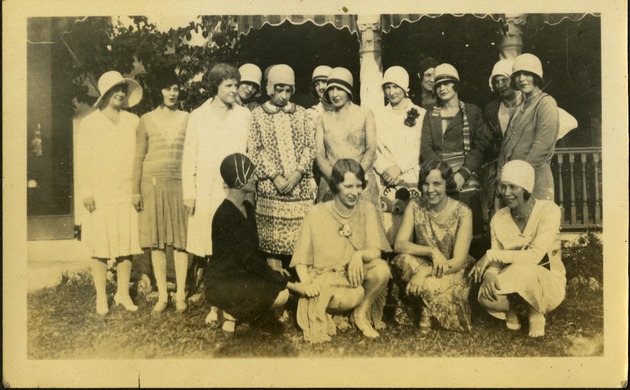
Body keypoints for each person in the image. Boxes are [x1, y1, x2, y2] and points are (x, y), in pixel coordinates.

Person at [290, 159, 392, 342]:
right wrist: (307, 284)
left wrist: (358, 255)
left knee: (382, 270)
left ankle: (359, 315)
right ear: (336, 185)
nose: (355, 192)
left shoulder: (367, 209)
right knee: (350, 296)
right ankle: (330, 313)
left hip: (351, 273)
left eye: (359, 186)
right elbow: (300, 260)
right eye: (349, 186)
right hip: (323, 277)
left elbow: (376, 251)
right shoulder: (317, 212)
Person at [204, 153, 306, 335]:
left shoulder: (247, 208)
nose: (256, 178)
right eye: (250, 174)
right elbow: (249, 260)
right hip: (223, 282)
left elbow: (252, 253)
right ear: (239, 179)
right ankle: (230, 312)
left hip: (242, 275)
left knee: (278, 288)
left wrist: (275, 273)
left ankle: (230, 311)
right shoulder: (225, 215)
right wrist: (289, 284)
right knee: (282, 293)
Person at [469, 160, 566, 337]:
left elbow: (535, 256)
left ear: (526, 188)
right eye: (503, 187)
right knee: (484, 295)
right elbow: (497, 260)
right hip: (516, 278)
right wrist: (490, 275)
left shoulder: (548, 211)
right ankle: (514, 308)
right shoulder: (499, 218)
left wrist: (491, 255)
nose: (506, 193)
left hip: (547, 283)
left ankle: (536, 313)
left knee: (525, 269)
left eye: (513, 187)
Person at [76, 70, 143, 315]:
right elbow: (83, 161)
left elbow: (138, 158)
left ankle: (123, 293)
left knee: (126, 243)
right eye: (115, 89)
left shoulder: (133, 121)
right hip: (101, 191)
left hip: (125, 189)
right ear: (104, 94)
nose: (120, 94)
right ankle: (101, 297)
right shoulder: (90, 122)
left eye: (122, 90)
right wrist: (87, 192)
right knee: (100, 245)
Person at [182, 63, 251, 276]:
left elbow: (248, 153)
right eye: (228, 85)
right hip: (206, 188)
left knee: (232, 242)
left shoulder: (244, 115)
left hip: (234, 190)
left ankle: (231, 299)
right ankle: (213, 302)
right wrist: (190, 195)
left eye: (236, 85)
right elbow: (189, 156)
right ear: (216, 86)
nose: (233, 90)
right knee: (209, 243)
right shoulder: (198, 116)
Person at [247, 64, 317, 274]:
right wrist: (275, 176)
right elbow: (256, 148)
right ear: (269, 89)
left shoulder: (302, 114)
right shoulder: (257, 115)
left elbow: (309, 146)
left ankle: (301, 289)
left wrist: (297, 173)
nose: (284, 95)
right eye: (279, 89)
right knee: (273, 243)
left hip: (300, 187)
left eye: (288, 90)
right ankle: (278, 288)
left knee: (302, 242)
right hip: (271, 188)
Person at [391, 160, 474, 334]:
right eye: (426, 184)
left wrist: (424, 273)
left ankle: (425, 312)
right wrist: (431, 251)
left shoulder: (463, 212)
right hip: (423, 263)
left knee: (429, 284)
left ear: (447, 184)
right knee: (401, 261)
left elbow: (458, 261)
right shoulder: (415, 205)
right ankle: (426, 307)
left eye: (437, 184)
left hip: (452, 270)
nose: (430, 190)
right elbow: (399, 244)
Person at [132, 68, 189, 313]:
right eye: (168, 89)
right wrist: (135, 190)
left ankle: (180, 296)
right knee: (156, 241)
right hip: (152, 184)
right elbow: (138, 157)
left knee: (181, 241)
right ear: (160, 91)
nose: (172, 93)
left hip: (180, 183)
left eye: (176, 88)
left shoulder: (188, 118)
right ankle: (163, 296)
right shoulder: (146, 119)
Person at [420, 63, 490, 254]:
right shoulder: (430, 115)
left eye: (447, 83)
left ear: (455, 86)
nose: (442, 88)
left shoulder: (472, 111)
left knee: (471, 214)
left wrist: (463, 173)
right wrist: (444, 174)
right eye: (438, 85)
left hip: (467, 171)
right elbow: (426, 148)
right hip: (440, 171)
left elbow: (479, 146)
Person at [315, 67, 380, 213]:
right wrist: (336, 178)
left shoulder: (364, 113)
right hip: (332, 183)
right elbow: (319, 154)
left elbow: (371, 148)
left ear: (349, 90)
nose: (335, 94)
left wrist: (356, 177)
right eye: (331, 89)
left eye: (340, 89)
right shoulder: (323, 118)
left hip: (361, 183)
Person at [374, 66, 426, 242]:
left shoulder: (420, 114)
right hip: (385, 178)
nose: (391, 92)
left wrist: (399, 167)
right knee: (388, 225)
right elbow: (372, 148)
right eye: (387, 87)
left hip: (411, 175)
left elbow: (421, 147)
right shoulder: (377, 115)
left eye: (396, 86)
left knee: (411, 228)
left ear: (405, 88)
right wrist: (386, 168)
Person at [498, 53, 560, 201]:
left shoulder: (546, 104)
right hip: (513, 182)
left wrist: (519, 175)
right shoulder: (520, 107)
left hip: (535, 178)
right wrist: (503, 174)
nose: (521, 79)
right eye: (518, 75)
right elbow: (506, 145)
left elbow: (543, 145)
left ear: (536, 77)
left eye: (527, 74)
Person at [481, 59, 522, 223]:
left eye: (504, 79)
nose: (500, 85)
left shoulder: (528, 102)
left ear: (512, 79)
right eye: (496, 81)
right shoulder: (492, 109)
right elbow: (487, 140)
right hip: (500, 166)